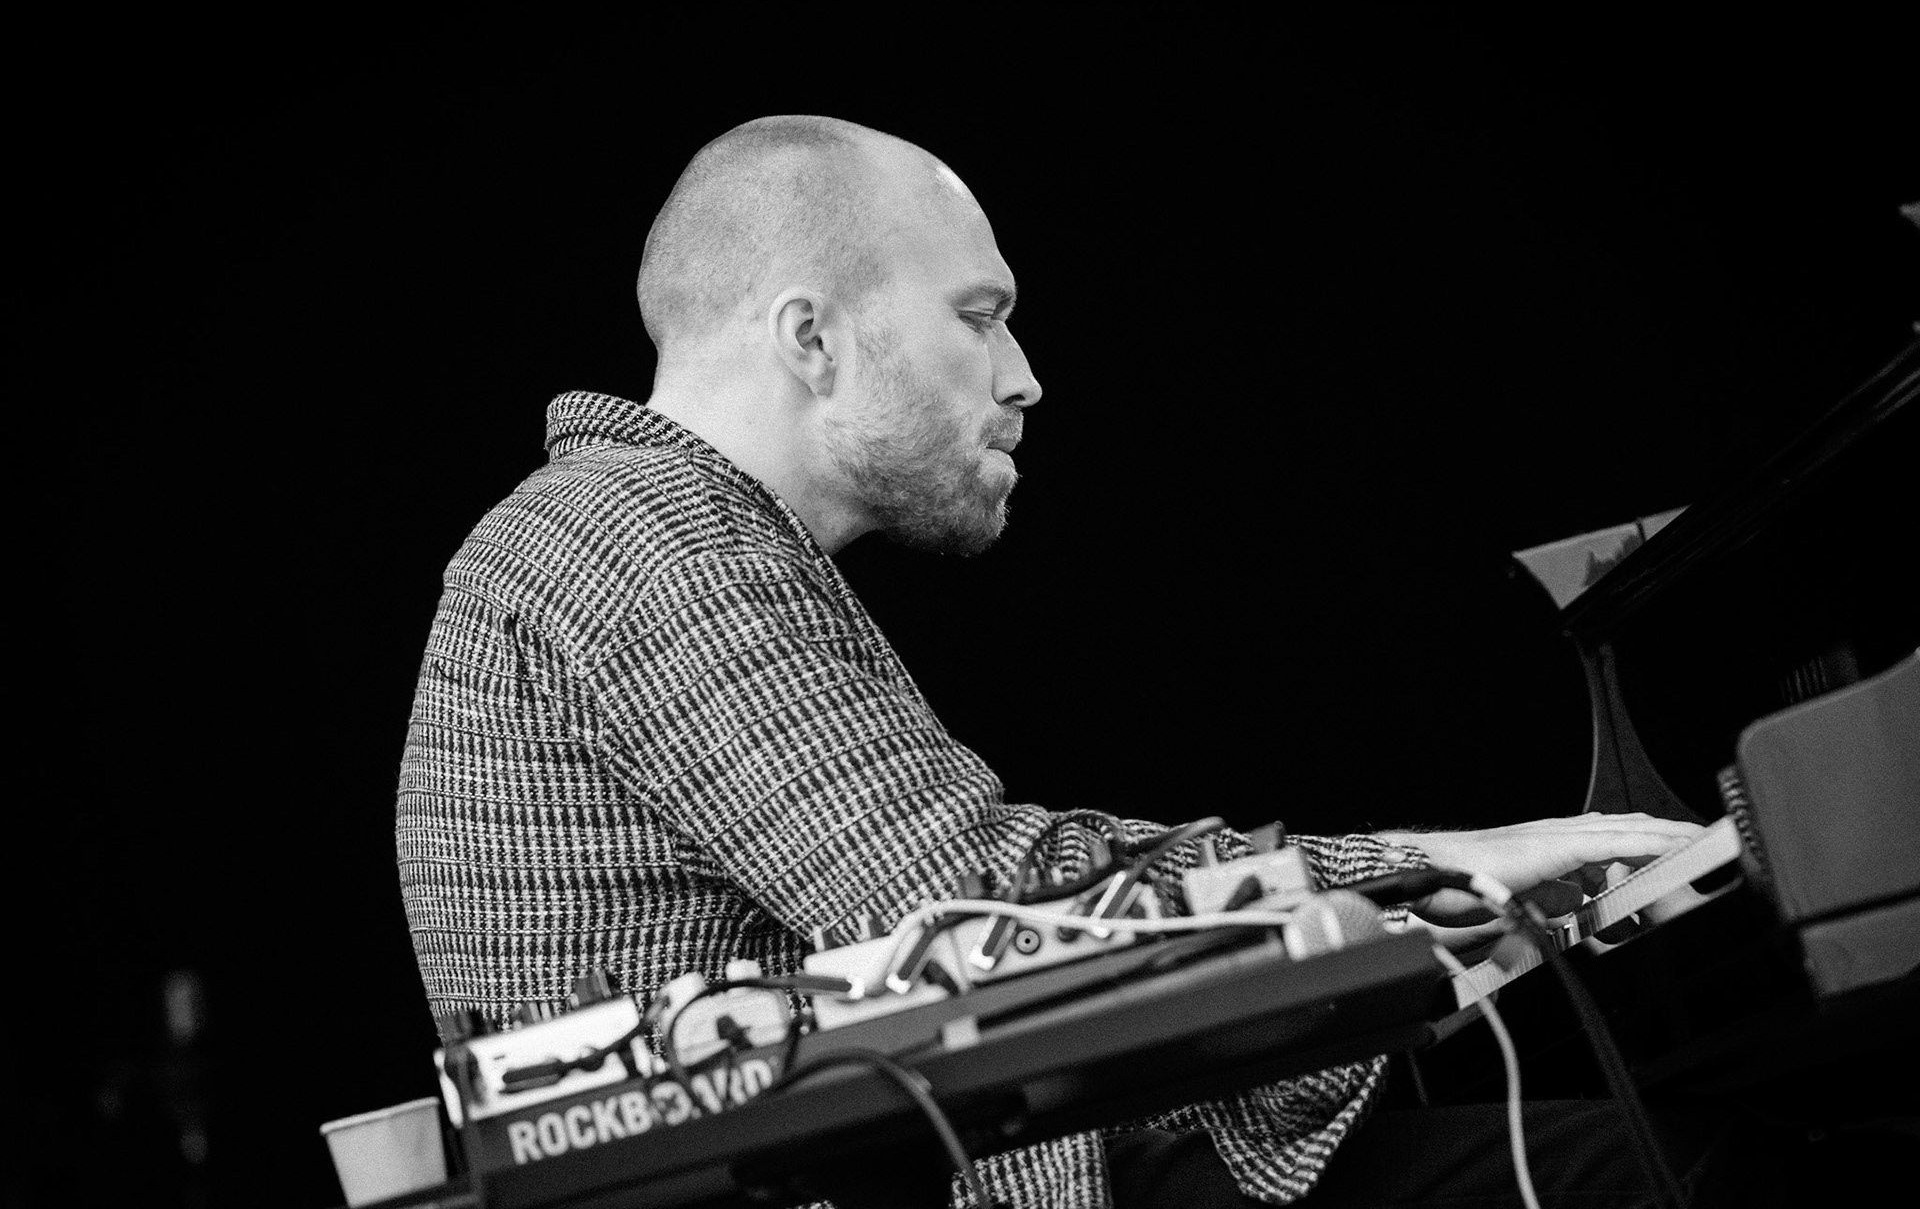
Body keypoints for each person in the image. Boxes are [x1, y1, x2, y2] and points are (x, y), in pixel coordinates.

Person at [396, 115, 1734, 1207]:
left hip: (902, 1165)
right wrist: (1421, 870)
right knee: (1658, 1174)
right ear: (812, 338)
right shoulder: (645, 540)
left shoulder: (629, 533)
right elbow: (972, 910)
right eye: (980, 316)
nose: (1025, 375)